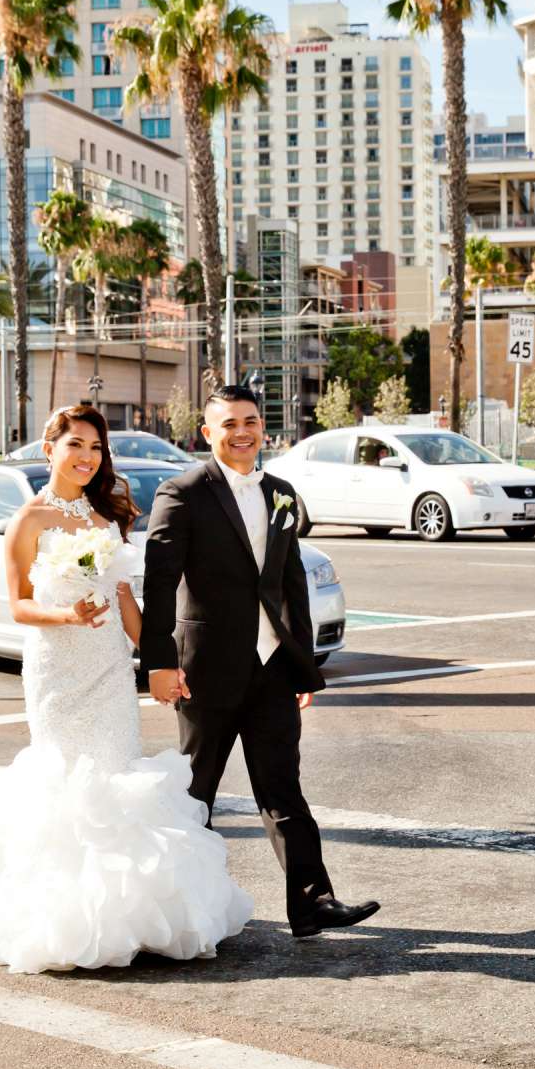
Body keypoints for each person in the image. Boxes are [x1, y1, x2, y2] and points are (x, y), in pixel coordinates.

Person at [0, 404, 251, 974]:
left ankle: (124, 911)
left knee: (113, 771)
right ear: (49, 448)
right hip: (57, 669)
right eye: (75, 444)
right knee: (64, 780)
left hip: (108, 670)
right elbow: (19, 606)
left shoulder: (108, 519)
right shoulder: (28, 520)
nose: (86, 457)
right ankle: (59, 915)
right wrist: (67, 617)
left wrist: (163, 661)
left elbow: (128, 600)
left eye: (96, 448)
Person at [142, 385, 378, 940]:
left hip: (273, 669)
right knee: (194, 791)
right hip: (206, 672)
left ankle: (313, 903)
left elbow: (289, 583)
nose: (242, 431)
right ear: (207, 432)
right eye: (229, 424)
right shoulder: (182, 492)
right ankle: (169, 907)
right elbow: (159, 584)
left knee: (283, 790)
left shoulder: (281, 493)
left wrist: (301, 663)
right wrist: (158, 662)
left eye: (250, 420)